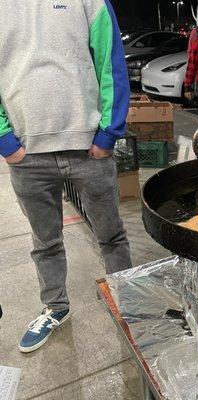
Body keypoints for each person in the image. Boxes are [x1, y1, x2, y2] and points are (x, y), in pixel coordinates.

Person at [0, 0, 133, 353]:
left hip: (88, 147)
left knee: (112, 235)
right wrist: (4, 140)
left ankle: (127, 302)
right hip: (27, 156)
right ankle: (55, 307)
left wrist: (109, 132)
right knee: (45, 242)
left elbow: (111, 62)